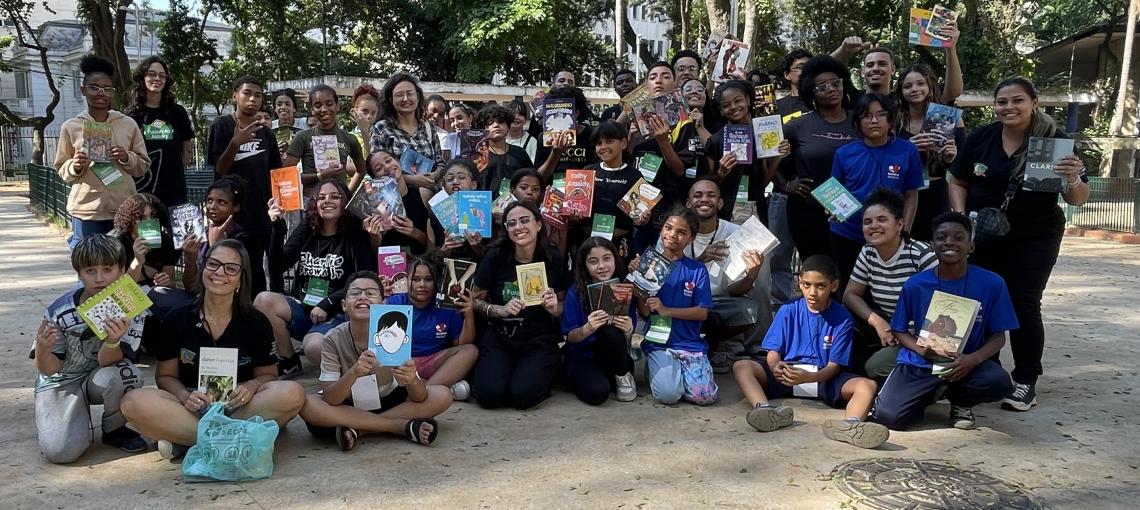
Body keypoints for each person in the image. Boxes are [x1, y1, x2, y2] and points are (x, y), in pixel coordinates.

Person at [948, 77, 1089, 412]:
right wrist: (961, 219)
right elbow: (958, 179)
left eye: (1017, 101)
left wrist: (1072, 176)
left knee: (1024, 303)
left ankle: (1026, 380)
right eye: (1002, 102)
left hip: (1036, 235)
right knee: (984, 301)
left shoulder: (1054, 141)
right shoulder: (982, 137)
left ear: (1033, 103)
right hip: (984, 234)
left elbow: (1078, 198)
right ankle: (989, 372)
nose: (1009, 107)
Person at [121, 240, 307, 460]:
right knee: (132, 402)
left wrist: (250, 386)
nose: (219, 272)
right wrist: (183, 396)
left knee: (292, 394)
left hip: (239, 404)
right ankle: (238, 438)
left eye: (231, 268)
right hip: (191, 403)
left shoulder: (256, 321)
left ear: (240, 278)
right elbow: (165, 376)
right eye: (213, 264)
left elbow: (269, 375)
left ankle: (187, 439)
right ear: (203, 269)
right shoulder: (177, 317)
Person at [870, 212, 1018, 430]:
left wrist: (972, 360)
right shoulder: (915, 285)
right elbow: (899, 330)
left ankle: (961, 401)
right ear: (932, 245)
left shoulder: (992, 283)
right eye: (942, 237)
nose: (949, 242)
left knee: (999, 383)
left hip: (965, 364)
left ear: (971, 246)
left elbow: (998, 337)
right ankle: (928, 393)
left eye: (959, 238)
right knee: (888, 418)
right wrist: (920, 350)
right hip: (921, 363)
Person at [732, 255, 889, 449]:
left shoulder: (843, 317)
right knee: (742, 366)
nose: (812, 292)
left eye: (820, 286)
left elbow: (834, 367)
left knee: (867, 386)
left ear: (834, 286)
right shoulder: (788, 309)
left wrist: (809, 377)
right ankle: (764, 409)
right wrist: (775, 366)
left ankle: (852, 425)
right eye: (806, 285)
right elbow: (773, 351)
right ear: (800, 283)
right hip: (789, 374)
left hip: (824, 378)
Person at [298, 271, 453, 450]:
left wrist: (412, 380)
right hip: (348, 404)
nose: (363, 297)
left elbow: (419, 396)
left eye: (371, 293)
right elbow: (331, 399)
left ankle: (359, 430)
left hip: (389, 401)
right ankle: (399, 426)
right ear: (344, 305)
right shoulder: (332, 339)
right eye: (355, 293)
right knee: (309, 405)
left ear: (382, 303)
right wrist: (354, 372)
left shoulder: (397, 333)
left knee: (442, 394)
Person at [33, 235, 147, 463]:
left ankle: (114, 429)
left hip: (99, 373)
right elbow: (49, 369)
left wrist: (113, 340)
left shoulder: (130, 304)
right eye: (90, 270)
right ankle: (70, 419)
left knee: (128, 374)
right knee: (60, 452)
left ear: (122, 270)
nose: (100, 278)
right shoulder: (60, 311)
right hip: (62, 379)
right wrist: (43, 351)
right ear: (79, 273)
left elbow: (110, 362)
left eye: (107, 269)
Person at [255, 179, 380, 377]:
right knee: (263, 300)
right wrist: (277, 225)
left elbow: (362, 276)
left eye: (334, 197)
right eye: (321, 197)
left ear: (345, 201)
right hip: (306, 308)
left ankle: (351, 371)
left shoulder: (355, 233)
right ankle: (289, 360)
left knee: (314, 348)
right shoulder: (308, 229)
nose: (327, 201)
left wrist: (328, 302)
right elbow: (278, 265)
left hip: (338, 313)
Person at [471, 202, 568, 409]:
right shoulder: (495, 257)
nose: (518, 227)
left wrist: (554, 308)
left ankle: (542, 371)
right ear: (506, 229)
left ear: (539, 225)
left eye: (525, 221)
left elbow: (564, 304)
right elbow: (475, 299)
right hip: (500, 335)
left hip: (539, 338)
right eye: (512, 223)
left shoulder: (554, 259)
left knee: (523, 396)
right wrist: (498, 310)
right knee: (490, 396)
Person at [828, 93, 924, 288]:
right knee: (849, 288)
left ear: (890, 120)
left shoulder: (907, 150)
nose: (874, 120)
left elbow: (912, 193)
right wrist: (831, 209)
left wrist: (904, 230)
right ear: (858, 122)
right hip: (847, 234)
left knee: (891, 288)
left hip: (891, 236)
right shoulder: (844, 153)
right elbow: (833, 192)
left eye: (880, 114)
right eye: (866, 115)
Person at [56, 55, 151, 250]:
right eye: (94, 87)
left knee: (122, 268)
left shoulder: (127, 124)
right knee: (90, 266)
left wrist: (126, 157)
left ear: (113, 93)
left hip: (123, 209)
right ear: (83, 90)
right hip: (86, 211)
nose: (101, 93)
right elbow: (61, 168)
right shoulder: (71, 127)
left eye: (107, 89)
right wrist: (75, 165)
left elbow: (143, 165)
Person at [842, 189, 938, 379]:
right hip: (896, 334)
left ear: (899, 224)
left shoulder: (920, 253)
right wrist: (879, 323)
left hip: (930, 338)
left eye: (882, 219)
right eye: (867, 222)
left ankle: (937, 384)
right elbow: (850, 295)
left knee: (877, 367)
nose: (874, 226)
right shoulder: (868, 252)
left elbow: (946, 300)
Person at [679, 178, 770, 371]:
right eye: (698, 195)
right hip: (682, 302)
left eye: (711, 195)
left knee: (749, 309)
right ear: (688, 203)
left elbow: (735, 290)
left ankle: (718, 345)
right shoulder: (675, 231)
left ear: (720, 203)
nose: (705, 200)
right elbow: (666, 280)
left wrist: (751, 275)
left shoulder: (736, 233)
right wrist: (700, 261)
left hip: (720, 304)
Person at [774, 56, 859, 262]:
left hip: (852, 208)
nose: (830, 89)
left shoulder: (860, 121)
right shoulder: (798, 125)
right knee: (816, 268)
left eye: (835, 83)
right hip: (807, 211)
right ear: (810, 92)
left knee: (848, 269)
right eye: (821, 86)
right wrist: (785, 185)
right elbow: (767, 152)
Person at [208, 75, 282, 296]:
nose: (253, 99)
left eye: (258, 95)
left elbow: (276, 173)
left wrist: (279, 205)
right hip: (230, 216)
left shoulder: (266, 134)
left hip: (259, 215)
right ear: (235, 96)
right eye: (247, 93)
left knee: (255, 272)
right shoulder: (221, 125)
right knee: (229, 267)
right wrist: (235, 143)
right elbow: (220, 168)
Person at [633, 207, 715, 405]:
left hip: (689, 344)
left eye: (681, 232)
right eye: (668, 228)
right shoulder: (649, 263)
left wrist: (666, 310)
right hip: (659, 343)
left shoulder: (697, 269)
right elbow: (644, 312)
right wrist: (638, 280)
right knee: (669, 395)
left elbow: (702, 312)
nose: (672, 235)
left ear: (691, 238)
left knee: (704, 397)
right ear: (661, 230)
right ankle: (658, 367)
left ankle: (682, 371)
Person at [385, 257, 478, 400]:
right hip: (402, 365)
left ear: (436, 282)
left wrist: (469, 315)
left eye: (428, 279)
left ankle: (424, 391)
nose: (422, 284)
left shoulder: (445, 304)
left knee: (471, 351)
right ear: (406, 281)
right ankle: (438, 391)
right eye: (415, 279)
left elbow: (462, 343)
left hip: (433, 363)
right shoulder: (393, 303)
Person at [561, 237, 638, 404]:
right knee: (597, 393)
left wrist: (628, 330)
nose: (602, 266)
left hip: (613, 354)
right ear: (585, 266)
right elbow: (570, 336)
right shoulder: (575, 292)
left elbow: (627, 342)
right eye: (593, 261)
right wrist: (587, 328)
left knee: (610, 330)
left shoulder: (624, 289)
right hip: (583, 354)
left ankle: (623, 376)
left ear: (615, 259)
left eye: (607, 258)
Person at [893, 63, 964, 242]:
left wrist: (950, 158)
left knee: (937, 249)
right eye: (907, 86)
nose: (914, 89)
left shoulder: (945, 117)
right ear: (901, 91)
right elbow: (883, 158)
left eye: (920, 83)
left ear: (930, 86)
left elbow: (963, 166)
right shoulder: (894, 120)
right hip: (903, 194)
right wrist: (908, 150)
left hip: (937, 194)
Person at [768, 49, 813, 310]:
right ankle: (779, 310)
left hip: (818, 196)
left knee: (816, 257)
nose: (805, 71)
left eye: (810, 66)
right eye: (799, 67)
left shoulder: (821, 105)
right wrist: (784, 184)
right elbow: (765, 154)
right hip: (782, 193)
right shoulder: (776, 108)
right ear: (787, 75)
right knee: (779, 257)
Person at [832, 22, 963, 104]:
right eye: (870, 65)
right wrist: (842, 51)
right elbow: (814, 73)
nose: (876, 68)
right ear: (862, 72)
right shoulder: (851, 98)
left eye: (882, 63)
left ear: (893, 70)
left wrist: (950, 49)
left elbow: (952, 93)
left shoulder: (903, 99)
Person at [125, 56, 194, 208]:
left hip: (175, 190)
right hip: (143, 190)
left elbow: (187, 147)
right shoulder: (131, 115)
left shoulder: (177, 112)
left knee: (177, 232)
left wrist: (175, 170)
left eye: (162, 75)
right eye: (151, 74)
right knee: (149, 232)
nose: (157, 78)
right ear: (142, 78)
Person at [582, 120, 653, 260]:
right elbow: (577, 210)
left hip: (620, 244)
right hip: (588, 244)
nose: (603, 147)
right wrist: (573, 214)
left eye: (609, 141)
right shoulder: (587, 172)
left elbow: (642, 217)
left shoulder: (634, 176)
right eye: (598, 143)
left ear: (624, 143)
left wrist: (644, 218)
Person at [284, 85, 366, 198]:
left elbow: (361, 171)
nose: (324, 109)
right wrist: (319, 176)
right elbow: (286, 176)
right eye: (318, 105)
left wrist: (347, 194)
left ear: (337, 106)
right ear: (312, 110)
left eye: (329, 104)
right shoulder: (302, 137)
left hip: (338, 206)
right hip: (311, 203)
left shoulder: (349, 139)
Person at [371, 74, 445, 190]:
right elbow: (378, 170)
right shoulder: (383, 128)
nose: (405, 99)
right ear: (391, 100)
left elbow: (440, 163)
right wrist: (412, 180)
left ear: (418, 97)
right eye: (399, 95)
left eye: (410, 94)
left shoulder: (429, 128)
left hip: (430, 195)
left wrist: (434, 176)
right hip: (400, 197)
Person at [704, 80, 761, 221]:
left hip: (757, 207)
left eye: (738, 101)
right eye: (726, 105)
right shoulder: (716, 140)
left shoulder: (759, 134)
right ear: (721, 111)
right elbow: (707, 182)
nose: (733, 107)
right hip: (726, 210)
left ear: (747, 100)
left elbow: (764, 179)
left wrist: (777, 156)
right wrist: (721, 173)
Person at [533, 86, 598, 181]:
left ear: (576, 112)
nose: (558, 115)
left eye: (564, 111)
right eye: (554, 111)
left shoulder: (592, 135)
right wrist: (555, 154)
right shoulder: (544, 137)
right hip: (553, 192)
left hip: (583, 190)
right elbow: (539, 178)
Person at [425, 159, 485, 261]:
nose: (455, 182)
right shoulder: (435, 214)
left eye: (461, 177)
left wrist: (477, 246)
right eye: (449, 179)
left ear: (473, 185)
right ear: (443, 186)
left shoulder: (485, 212)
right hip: (447, 272)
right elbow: (429, 258)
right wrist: (445, 249)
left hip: (479, 272)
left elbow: (496, 259)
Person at [474, 105, 534, 195]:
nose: (496, 125)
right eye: (490, 123)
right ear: (483, 129)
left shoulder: (519, 152)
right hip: (484, 205)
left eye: (501, 122)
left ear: (508, 127)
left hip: (515, 205)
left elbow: (532, 178)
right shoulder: (477, 154)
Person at [349, 84, 383, 159]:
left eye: (373, 113)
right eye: (365, 111)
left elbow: (372, 162)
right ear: (354, 111)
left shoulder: (381, 135)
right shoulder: (348, 137)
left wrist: (365, 132)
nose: (369, 116)